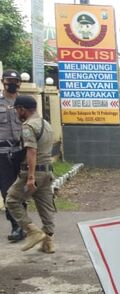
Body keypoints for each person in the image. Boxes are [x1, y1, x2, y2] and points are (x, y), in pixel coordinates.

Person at [5, 95, 56, 253]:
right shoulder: (46, 124)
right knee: (46, 207)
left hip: (33, 172)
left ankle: (32, 231)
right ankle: (48, 243)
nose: (16, 113)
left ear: (22, 109)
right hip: (47, 172)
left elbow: (32, 151)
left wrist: (31, 177)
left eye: (17, 110)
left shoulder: (28, 126)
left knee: (12, 200)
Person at [0, 69, 25, 242]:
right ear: (3, 81)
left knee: (22, 189)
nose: (12, 83)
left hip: (21, 152)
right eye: (8, 80)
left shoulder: (24, 103)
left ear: (19, 84)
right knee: (8, 191)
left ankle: (23, 225)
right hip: (2, 154)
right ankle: (16, 225)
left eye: (15, 81)